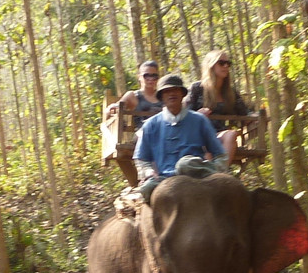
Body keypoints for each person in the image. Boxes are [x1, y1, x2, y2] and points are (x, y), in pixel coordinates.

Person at [133, 73, 226, 201]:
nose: (172, 94)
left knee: (185, 164)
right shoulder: (151, 125)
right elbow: (141, 159)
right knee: (146, 189)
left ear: (182, 94)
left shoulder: (199, 120)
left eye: (176, 90)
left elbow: (220, 155)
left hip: (196, 176)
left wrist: (214, 172)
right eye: (167, 91)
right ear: (161, 96)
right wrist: (148, 172)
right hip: (164, 179)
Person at [185, 49, 250, 164]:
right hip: (199, 136)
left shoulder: (230, 92)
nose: (225, 66)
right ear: (211, 65)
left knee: (231, 134)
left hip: (219, 136)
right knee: (207, 152)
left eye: (228, 63)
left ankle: (222, 173)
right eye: (221, 63)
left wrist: (255, 116)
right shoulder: (197, 88)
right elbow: (183, 114)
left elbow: (244, 113)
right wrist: (197, 115)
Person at [104, 60, 163, 130]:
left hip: (163, 134)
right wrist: (110, 110)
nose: (150, 79)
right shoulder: (133, 96)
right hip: (142, 135)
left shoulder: (163, 95)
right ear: (139, 77)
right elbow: (114, 108)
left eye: (154, 76)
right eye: (146, 76)